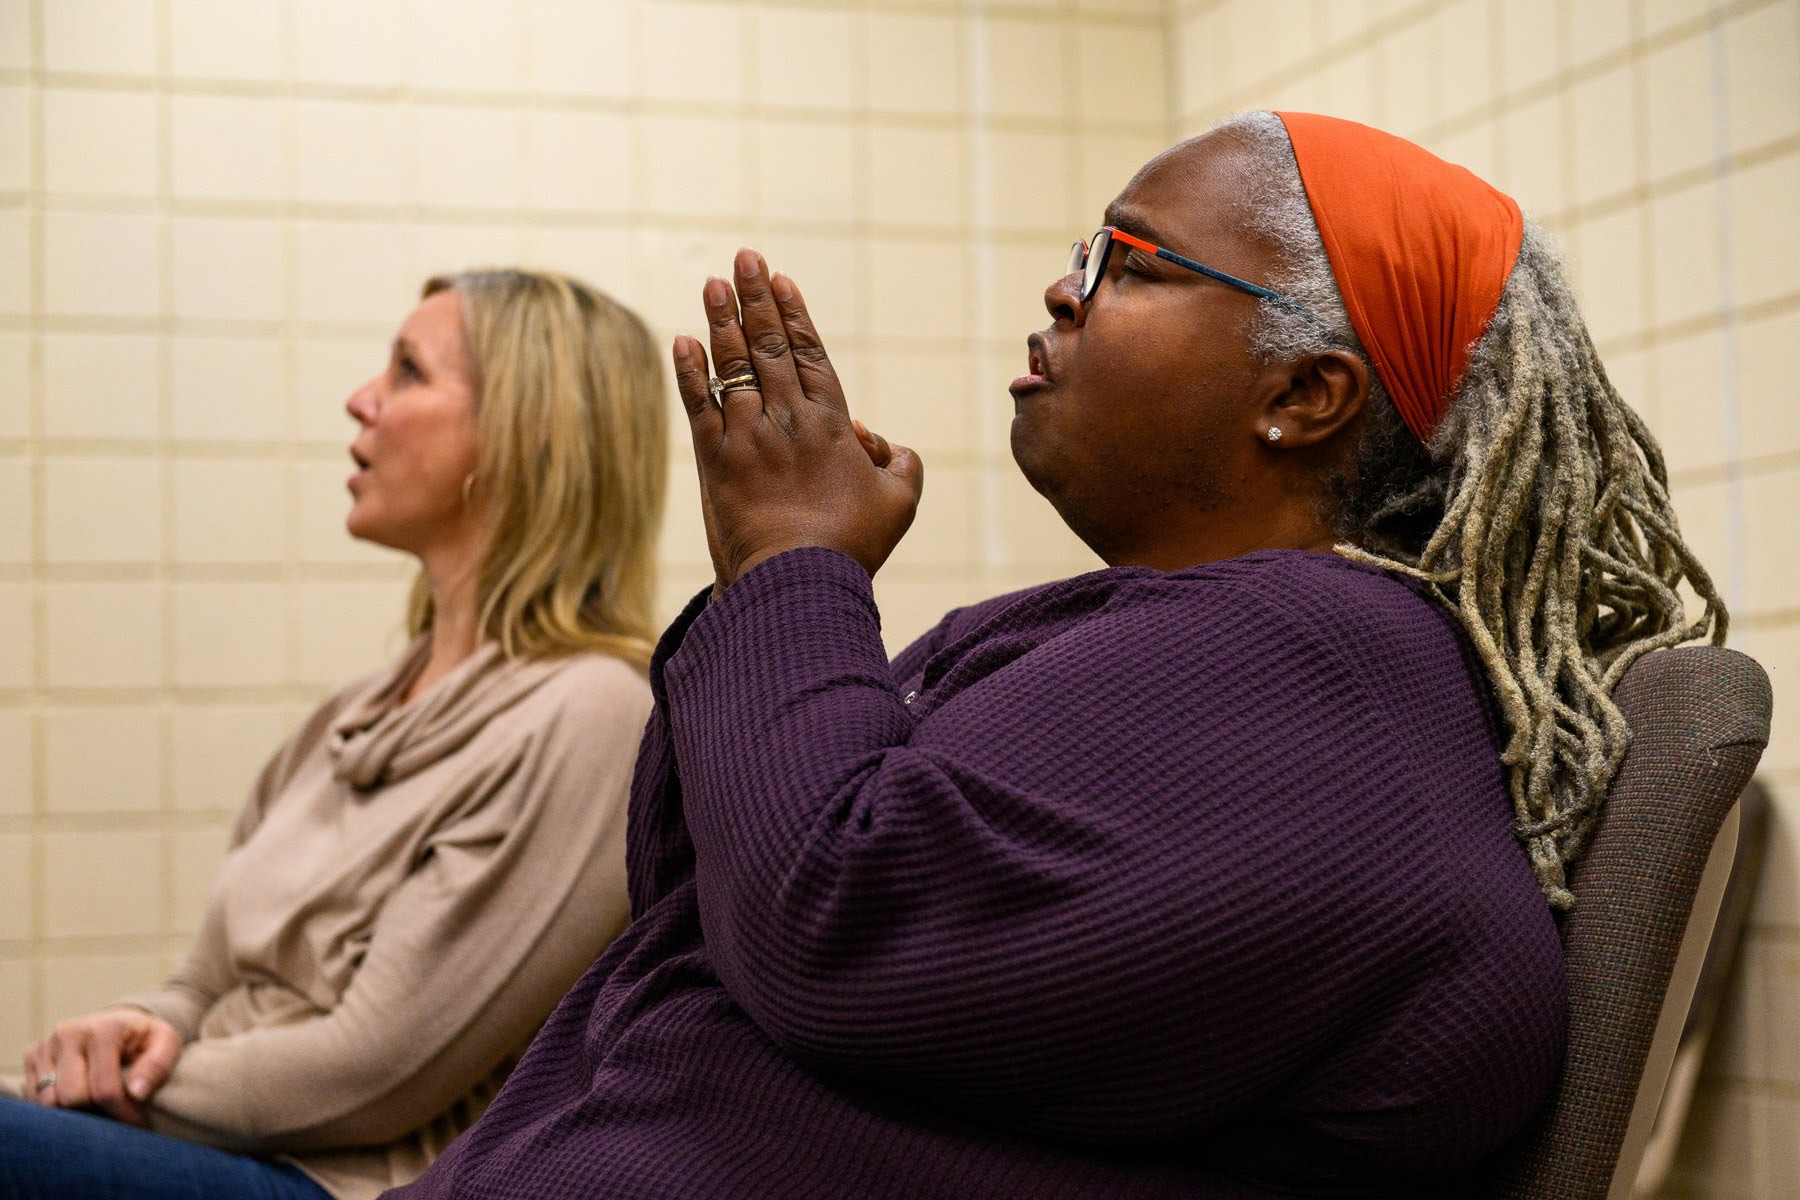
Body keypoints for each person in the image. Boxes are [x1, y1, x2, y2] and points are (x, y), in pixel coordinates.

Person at [391, 112, 1726, 1200]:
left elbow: (828, 921)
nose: (1062, 288)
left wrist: (794, 566)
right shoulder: (1192, 643)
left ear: (1305, 395)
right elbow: (721, 897)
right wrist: (791, 579)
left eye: (1130, 265)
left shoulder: (1320, 668)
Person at [0, 270, 670, 1200]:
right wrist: (125, 1025)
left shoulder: (595, 714)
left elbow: (373, 1071)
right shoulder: (353, 711)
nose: (362, 399)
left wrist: (84, 1095)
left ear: (528, 434)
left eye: (407, 372)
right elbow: (202, 986)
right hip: (215, 1139)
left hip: (345, 1180)